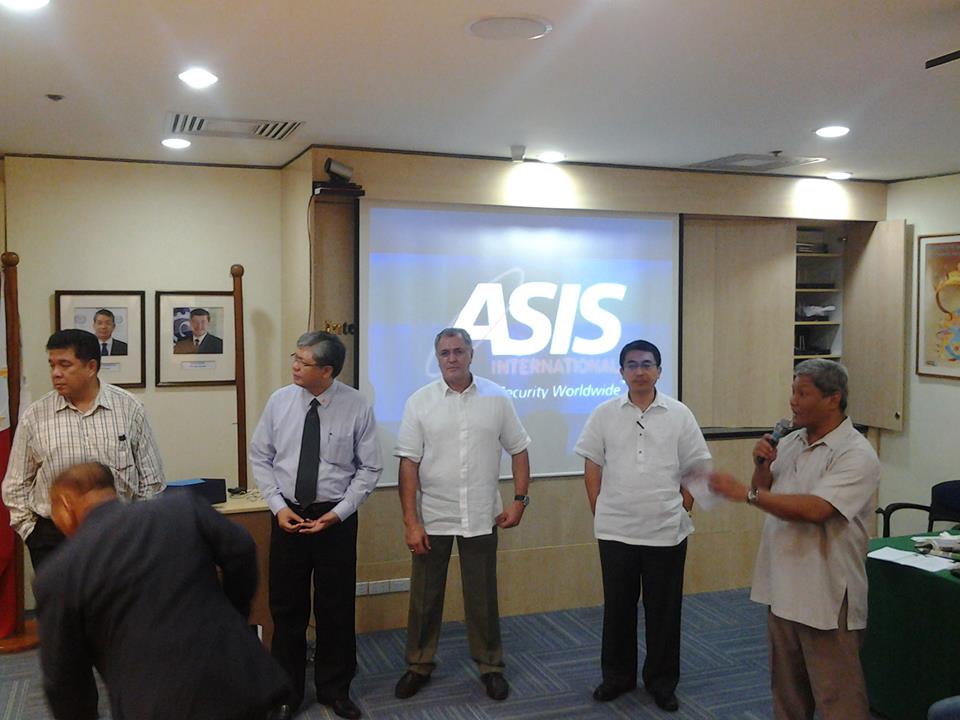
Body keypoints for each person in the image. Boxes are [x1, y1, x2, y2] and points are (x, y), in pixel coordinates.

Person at [34, 462, 291, 720]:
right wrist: (233, 614)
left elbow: (65, 680)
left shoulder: (58, 573)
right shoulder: (181, 508)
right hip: (240, 681)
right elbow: (242, 548)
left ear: (65, 504)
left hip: (155, 706)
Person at [709, 359, 880, 720]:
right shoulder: (790, 441)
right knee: (787, 695)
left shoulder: (856, 453)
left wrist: (746, 494)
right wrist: (760, 467)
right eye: (792, 392)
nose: (793, 401)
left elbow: (817, 509)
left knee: (838, 698)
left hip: (827, 593)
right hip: (782, 585)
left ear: (833, 399)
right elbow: (766, 493)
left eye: (803, 393)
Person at [393, 327, 531, 702]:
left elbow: (519, 449)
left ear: (471, 354)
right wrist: (410, 522)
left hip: (482, 515)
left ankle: (490, 666)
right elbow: (408, 465)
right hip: (433, 516)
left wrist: (520, 500)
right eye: (445, 353)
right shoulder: (419, 402)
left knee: (483, 596)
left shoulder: (497, 398)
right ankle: (418, 664)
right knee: (424, 597)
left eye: (458, 351)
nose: (452, 358)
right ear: (437, 358)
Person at [250, 331, 382, 720]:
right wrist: (277, 507)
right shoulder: (279, 402)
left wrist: (340, 512)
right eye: (294, 357)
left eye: (303, 362)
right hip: (288, 515)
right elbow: (261, 456)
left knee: (335, 608)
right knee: (287, 608)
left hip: (335, 519)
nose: (294, 366)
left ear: (327, 371)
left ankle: (335, 690)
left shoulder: (356, 406)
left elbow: (370, 467)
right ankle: (287, 693)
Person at [574, 339, 711, 713]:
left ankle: (661, 682)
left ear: (659, 371)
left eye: (646, 364)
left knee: (663, 611)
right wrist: (599, 510)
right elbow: (592, 464)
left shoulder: (679, 414)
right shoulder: (604, 413)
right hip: (616, 529)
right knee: (618, 609)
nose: (639, 371)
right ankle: (617, 677)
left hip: (666, 530)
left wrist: (684, 508)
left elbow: (696, 466)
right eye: (632, 365)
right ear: (621, 373)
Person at [2, 329, 165, 571]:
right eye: (52, 365)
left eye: (65, 364)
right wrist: (32, 534)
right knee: (62, 598)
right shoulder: (35, 416)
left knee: (119, 597)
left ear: (91, 367)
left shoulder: (129, 409)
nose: (56, 373)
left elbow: (152, 481)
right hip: (54, 540)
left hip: (119, 533)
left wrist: (137, 529)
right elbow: (15, 485)